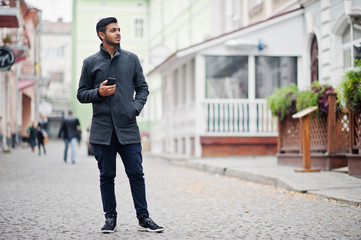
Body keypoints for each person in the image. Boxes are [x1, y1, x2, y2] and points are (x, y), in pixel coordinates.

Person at [77, 17, 163, 234]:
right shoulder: (90, 63)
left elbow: (143, 88)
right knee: (107, 176)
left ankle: (144, 217)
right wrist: (98, 92)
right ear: (101, 34)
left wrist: (134, 108)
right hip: (102, 131)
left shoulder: (132, 60)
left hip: (128, 129)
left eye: (119, 29)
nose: (118, 33)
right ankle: (110, 218)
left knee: (136, 173)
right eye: (113, 30)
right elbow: (81, 94)